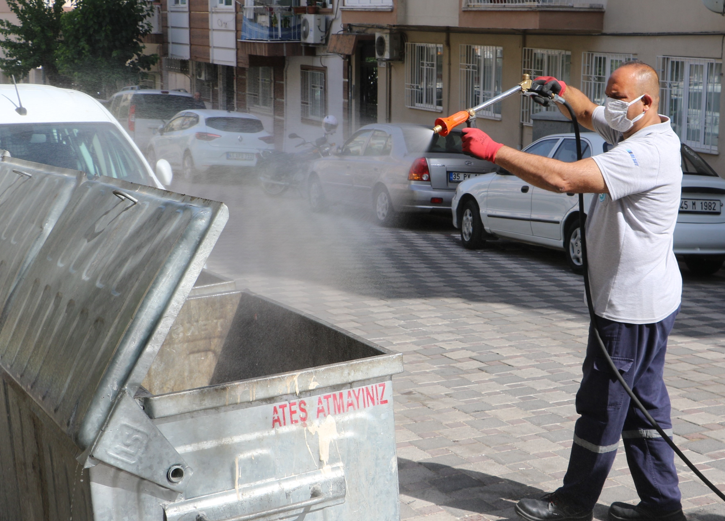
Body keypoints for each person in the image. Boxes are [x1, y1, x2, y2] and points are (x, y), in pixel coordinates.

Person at [461, 62, 686, 521]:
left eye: (619, 98)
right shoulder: (635, 126)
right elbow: (587, 113)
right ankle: (663, 510)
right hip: (651, 302)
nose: (610, 105)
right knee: (644, 412)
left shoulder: (647, 153)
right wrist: (561, 90)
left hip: (629, 310)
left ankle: (573, 504)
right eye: (609, 93)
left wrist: (493, 150)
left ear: (647, 102)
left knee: (601, 407)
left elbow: (564, 179)